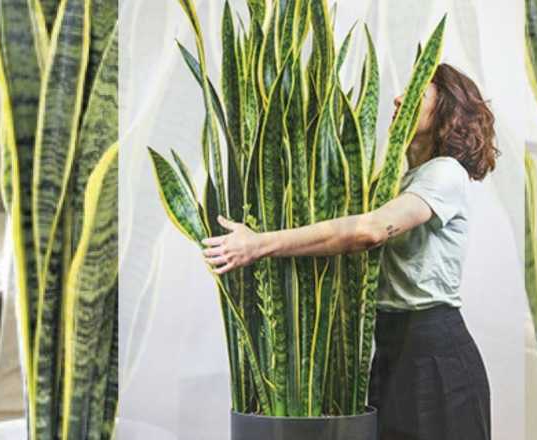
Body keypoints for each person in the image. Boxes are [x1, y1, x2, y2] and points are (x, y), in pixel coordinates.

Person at [200, 63, 498, 440]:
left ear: (447, 112)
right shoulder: (401, 181)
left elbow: (370, 231)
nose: (398, 98)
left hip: (434, 352)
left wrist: (259, 244)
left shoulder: (446, 172)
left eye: (417, 93)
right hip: (391, 350)